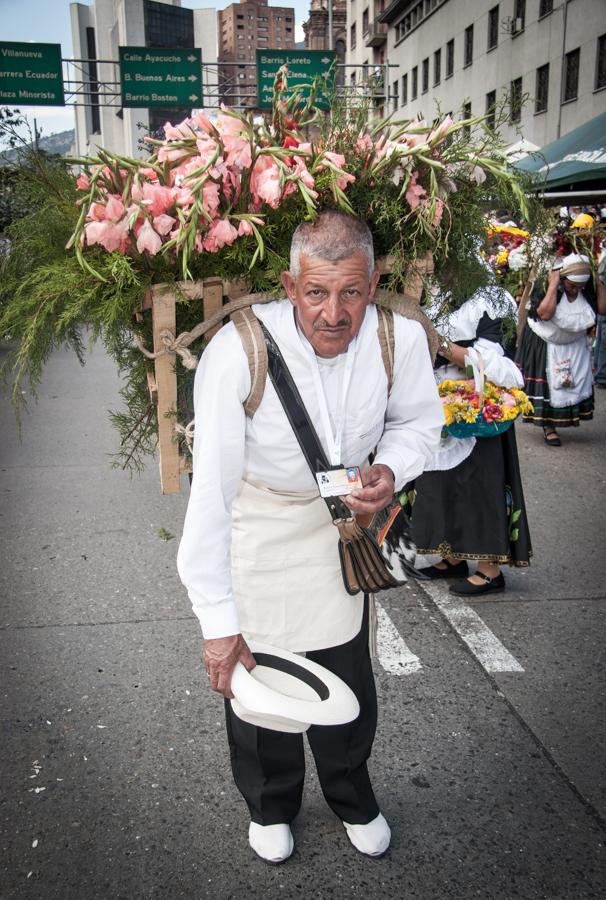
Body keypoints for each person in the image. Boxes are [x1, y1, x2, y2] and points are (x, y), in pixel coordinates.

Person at [177, 210, 444, 864]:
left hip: (343, 523)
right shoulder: (238, 351)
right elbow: (209, 494)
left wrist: (391, 468)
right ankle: (270, 803)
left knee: (345, 667)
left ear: (375, 282)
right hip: (262, 521)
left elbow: (419, 423)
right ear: (289, 286)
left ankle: (352, 793)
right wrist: (216, 621)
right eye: (317, 293)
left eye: (352, 292)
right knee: (259, 676)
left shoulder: (397, 339)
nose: (334, 313)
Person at [406, 285, 532, 595]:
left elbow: (496, 365)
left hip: (477, 409)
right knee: (441, 481)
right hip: (439, 402)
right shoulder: (435, 292)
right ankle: (451, 558)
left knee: (478, 484)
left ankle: (490, 570)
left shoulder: (492, 298)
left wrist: (440, 342)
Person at [516, 253, 597, 445]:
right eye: (571, 286)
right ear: (562, 279)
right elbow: (544, 314)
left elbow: (601, 308)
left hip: (573, 346)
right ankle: (548, 425)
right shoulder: (550, 288)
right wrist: (553, 284)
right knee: (549, 386)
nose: (576, 291)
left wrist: (598, 282)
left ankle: (564, 417)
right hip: (547, 342)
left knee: (570, 384)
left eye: (580, 287)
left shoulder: (585, 291)